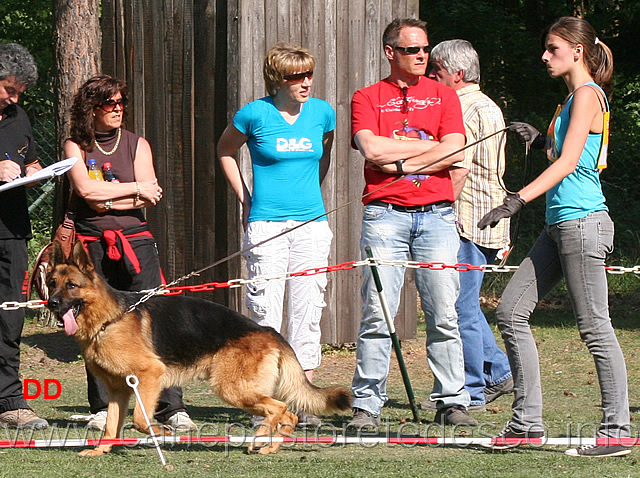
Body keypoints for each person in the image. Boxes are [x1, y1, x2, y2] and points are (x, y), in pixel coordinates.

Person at [479, 17, 630, 457]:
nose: (545, 56)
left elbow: (566, 165)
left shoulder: (586, 95)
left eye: (552, 48)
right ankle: (526, 423)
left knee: (595, 327)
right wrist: (539, 137)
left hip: (583, 223)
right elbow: (564, 152)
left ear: (577, 50)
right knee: (510, 312)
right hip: (560, 224)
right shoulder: (569, 101)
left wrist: (516, 200)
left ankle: (617, 430)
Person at [348, 18, 476, 429]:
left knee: (443, 312)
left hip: (437, 216)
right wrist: (430, 149)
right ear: (391, 53)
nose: (422, 56)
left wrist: (398, 158)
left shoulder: (443, 95)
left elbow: (457, 150)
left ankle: (453, 401)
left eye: (425, 49)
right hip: (384, 215)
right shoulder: (367, 97)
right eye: (412, 50)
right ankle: (366, 404)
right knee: (377, 312)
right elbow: (369, 147)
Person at [63, 75, 196, 432]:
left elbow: (149, 197)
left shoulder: (137, 144)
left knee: (155, 315)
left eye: (122, 102)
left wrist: (108, 195)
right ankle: (102, 407)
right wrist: (130, 189)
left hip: (136, 240)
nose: (118, 109)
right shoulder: (75, 145)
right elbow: (86, 191)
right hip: (92, 245)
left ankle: (171, 406)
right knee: (95, 320)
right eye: (110, 103)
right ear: (91, 108)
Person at [217, 43, 335, 427]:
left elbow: (325, 155)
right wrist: (245, 197)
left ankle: (302, 401)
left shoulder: (322, 113)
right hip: (267, 225)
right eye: (296, 76)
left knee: (308, 310)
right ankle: (264, 400)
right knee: (265, 311)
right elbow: (225, 151)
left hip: (312, 225)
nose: (306, 83)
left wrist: (311, 194)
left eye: (309, 74)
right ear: (277, 80)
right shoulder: (254, 114)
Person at [420, 39, 513, 412]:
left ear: (457, 75)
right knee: (465, 304)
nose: (431, 77)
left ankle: (471, 390)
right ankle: (499, 372)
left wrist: (438, 208)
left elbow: (459, 166)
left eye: (437, 72)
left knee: (459, 308)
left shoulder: (461, 106)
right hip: (487, 219)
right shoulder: (487, 104)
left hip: (467, 220)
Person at [0, 43, 49, 430]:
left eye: (19, 93)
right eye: (9, 90)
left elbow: (28, 158)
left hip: (11, 232)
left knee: (10, 318)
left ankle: (11, 402)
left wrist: (40, 171)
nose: (14, 99)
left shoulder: (19, 117)